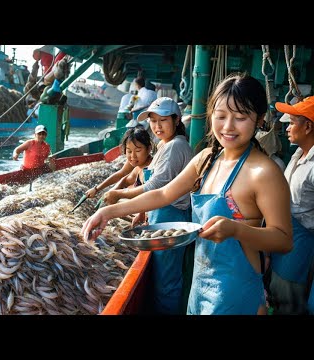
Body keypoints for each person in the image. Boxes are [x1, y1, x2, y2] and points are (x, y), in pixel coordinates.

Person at [82, 73, 293, 315]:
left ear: (260, 120)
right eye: (221, 116)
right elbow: (163, 194)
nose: (227, 127)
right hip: (200, 285)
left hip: (237, 293)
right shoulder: (206, 159)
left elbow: (283, 240)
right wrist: (108, 211)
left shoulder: (264, 172)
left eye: (240, 118)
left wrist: (236, 229)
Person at [102, 97, 194, 315]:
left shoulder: (175, 146)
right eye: (153, 121)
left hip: (172, 216)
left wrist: (118, 194)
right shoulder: (164, 145)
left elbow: (155, 186)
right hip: (161, 213)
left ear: (177, 119)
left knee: (167, 282)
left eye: (163, 120)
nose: (157, 126)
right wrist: (143, 210)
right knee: (162, 275)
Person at [264, 96, 314, 314]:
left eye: (292, 123)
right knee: (276, 292)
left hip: (302, 243)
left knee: (290, 299)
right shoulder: (297, 154)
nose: (286, 128)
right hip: (285, 236)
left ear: (308, 126)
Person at [85, 126, 152, 200]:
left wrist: (116, 194)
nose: (133, 156)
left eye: (138, 151)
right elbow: (122, 175)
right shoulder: (137, 164)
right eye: (129, 151)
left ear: (149, 149)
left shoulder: (150, 169)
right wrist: (97, 189)